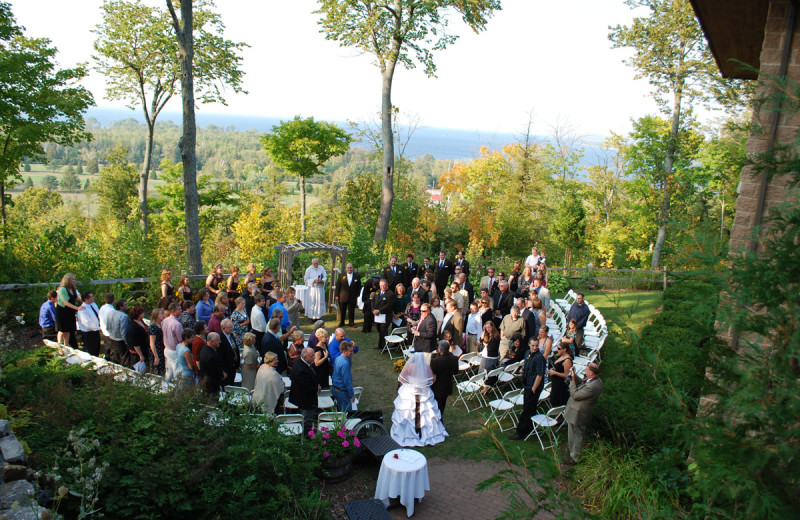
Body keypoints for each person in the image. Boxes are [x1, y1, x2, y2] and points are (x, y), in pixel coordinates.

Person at [390, 352, 448, 447]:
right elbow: (432, 380)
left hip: (410, 392)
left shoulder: (409, 366)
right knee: (427, 412)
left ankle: (408, 433)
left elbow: (401, 379)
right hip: (423, 392)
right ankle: (427, 433)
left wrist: (410, 381)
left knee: (407, 412)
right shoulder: (426, 367)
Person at [564, 362, 603, 464]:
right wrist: (574, 375)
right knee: (573, 433)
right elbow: (582, 384)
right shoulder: (594, 380)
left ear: (591, 372)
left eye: (586, 370)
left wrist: (572, 381)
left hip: (579, 413)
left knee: (576, 435)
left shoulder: (593, 386)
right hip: (577, 411)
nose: (585, 372)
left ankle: (575, 457)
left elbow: (576, 395)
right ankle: (572, 452)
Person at [509, 337, 548, 440]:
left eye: (536, 345)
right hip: (527, 383)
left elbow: (540, 375)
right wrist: (524, 371)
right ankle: (530, 428)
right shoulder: (528, 353)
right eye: (533, 345)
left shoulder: (539, 358)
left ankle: (520, 432)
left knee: (527, 409)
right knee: (530, 408)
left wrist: (534, 388)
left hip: (533, 386)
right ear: (529, 345)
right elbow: (527, 365)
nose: (535, 347)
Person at [290, 347, 319, 435]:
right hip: (306, 400)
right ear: (305, 357)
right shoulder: (302, 369)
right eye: (312, 356)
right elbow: (307, 387)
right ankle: (306, 437)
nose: (314, 357)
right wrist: (316, 388)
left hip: (301, 398)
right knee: (307, 421)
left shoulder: (299, 362)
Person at [430, 340, 459, 419]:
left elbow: (432, 374)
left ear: (440, 349)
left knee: (437, 405)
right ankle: (440, 417)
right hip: (448, 385)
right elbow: (456, 372)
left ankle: (438, 420)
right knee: (442, 404)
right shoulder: (454, 359)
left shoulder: (436, 361)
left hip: (437, 387)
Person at [56, 273, 83, 347]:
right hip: (63, 311)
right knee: (62, 330)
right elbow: (65, 302)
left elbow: (76, 297)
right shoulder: (62, 289)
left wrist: (84, 301)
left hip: (70, 311)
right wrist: (77, 308)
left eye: (74, 279)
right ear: (68, 280)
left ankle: (66, 345)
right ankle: (59, 346)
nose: (74, 281)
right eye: (72, 279)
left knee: (68, 330)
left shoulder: (72, 288)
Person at [372, 278, 396, 351]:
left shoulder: (390, 294)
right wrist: (373, 310)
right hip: (377, 316)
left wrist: (379, 310)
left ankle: (384, 346)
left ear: (387, 285)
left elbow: (389, 305)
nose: (383, 287)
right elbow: (372, 302)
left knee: (384, 330)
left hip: (385, 316)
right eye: (381, 285)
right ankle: (380, 344)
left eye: (384, 285)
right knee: (379, 329)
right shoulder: (377, 292)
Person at [334, 262, 361, 328]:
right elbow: (338, 286)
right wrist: (336, 295)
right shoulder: (341, 275)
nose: (349, 269)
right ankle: (342, 322)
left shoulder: (357, 276)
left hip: (352, 297)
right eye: (348, 268)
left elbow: (359, 287)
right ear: (346, 268)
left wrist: (357, 295)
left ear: (353, 268)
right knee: (342, 311)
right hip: (342, 296)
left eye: (350, 268)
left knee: (351, 311)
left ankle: (351, 323)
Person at [331, 341, 355, 412]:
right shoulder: (344, 364)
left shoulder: (338, 358)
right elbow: (347, 381)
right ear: (344, 351)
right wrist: (352, 395)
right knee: (346, 413)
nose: (352, 353)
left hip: (335, 388)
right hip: (342, 392)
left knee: (340, 409)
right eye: (351, 351)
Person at [162, 302, 183, 381]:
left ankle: (167, 386)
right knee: (177, 370)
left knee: (169, 371)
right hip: (174, 350)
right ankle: (178, 388)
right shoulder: (177, 324)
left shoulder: (165, 320)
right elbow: (180, 339)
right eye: (179, 309)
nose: (181, 310)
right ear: (173, 311)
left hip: (167, 348)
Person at [76, 292, 101, 356]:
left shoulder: (93, 305)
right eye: (91, 297)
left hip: (96, 331)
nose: (93, 298)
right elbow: (87, 323)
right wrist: (98, 328)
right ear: (86, 299)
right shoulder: (83, 309)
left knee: (97, 349)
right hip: (89, 332)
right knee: (90, 351)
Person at [106, 299, 130, 365]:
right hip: (120, 340)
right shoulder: (124, 316)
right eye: (125, 304)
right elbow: (123, 331)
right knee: (124, 358)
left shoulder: (110, 313)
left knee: (115, 357)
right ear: (121, 307)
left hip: (111, 338)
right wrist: (127, 342)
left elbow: (107, 326)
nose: (127, 306)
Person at [549, 343, 574, 407]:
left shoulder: (567, 360)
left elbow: (566, 375)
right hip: (555, 381)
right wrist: (553, 369)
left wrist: (554, 373)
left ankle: (558, 416)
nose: (557, 350)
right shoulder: (562, 356)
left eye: (559, 348)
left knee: (558, 402)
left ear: (565, 349)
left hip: (560, 384)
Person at [219, 319, 240, 388]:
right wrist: (222, 371)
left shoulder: (231, 335)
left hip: (233, 366)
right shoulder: (220, 338)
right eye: (230, 327)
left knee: (232, 384)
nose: (232, 328)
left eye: (232, 326)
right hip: (226, 368)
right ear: (223, 328)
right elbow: (220, 356)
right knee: (227, 386)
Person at [148, 308, 166, 375]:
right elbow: (152, 343)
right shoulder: (153, 326)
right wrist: (156, 356)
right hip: (156, 350)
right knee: (156, 369)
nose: (163, 315)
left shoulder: (161, 324)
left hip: (161, 348)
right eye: (161, 313)